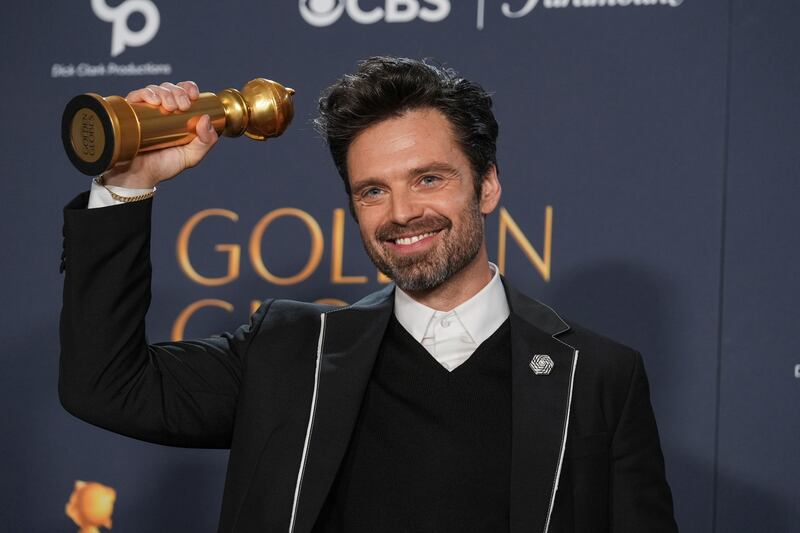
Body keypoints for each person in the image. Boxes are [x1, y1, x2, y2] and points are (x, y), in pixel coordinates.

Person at [60, 56, 678, 533]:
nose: (402, 213)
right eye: (372, 191)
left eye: (429, 179)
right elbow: (105, 385)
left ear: (486, 186)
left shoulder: (597, 376)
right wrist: (129, 184)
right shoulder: (289, 352)